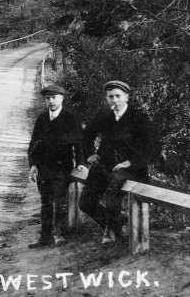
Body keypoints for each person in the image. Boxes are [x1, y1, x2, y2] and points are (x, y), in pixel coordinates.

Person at [78, 80, 158, 244]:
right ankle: (116, 221)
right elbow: (86, 136)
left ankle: (111, 233)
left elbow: (154, 147)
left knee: (114, 182)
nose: (115, 100)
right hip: (105, 166)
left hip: (133, 170)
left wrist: (130, 162)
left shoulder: (138, 117)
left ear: (127, 97)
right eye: (110, 97)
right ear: (106, 98)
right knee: (85, 203)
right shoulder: (103, 116)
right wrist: (90, 154)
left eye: (118, 96)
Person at [27, 84, 83, 248]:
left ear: (61, 98)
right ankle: (44, 236)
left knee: (58, 200)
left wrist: (80, 163)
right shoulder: (42, 119)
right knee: (45, 201)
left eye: (53, 98)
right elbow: (33, 144)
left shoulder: (70, 119)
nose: (50, 101)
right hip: (44, 168)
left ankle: (58, 233)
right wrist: (33, 165)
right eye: (47, 98)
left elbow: (79, 143)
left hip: (61, 167)